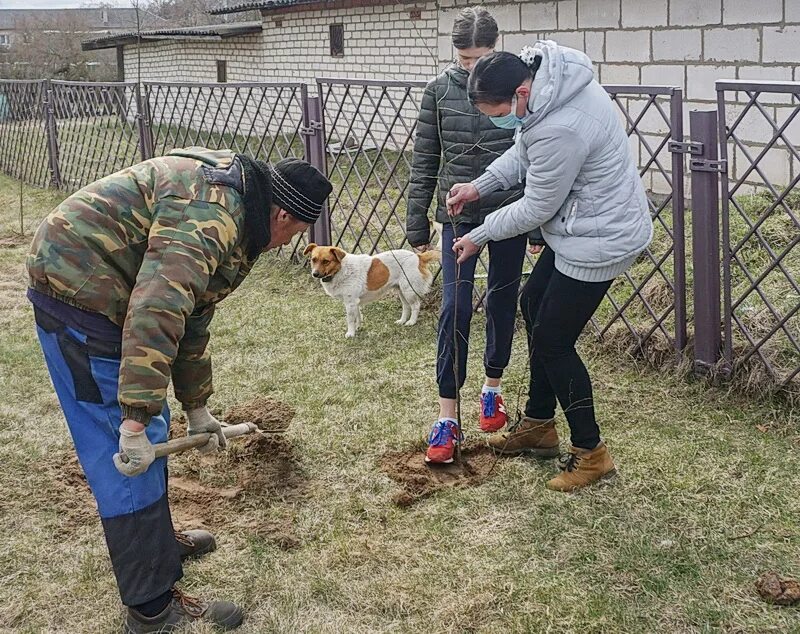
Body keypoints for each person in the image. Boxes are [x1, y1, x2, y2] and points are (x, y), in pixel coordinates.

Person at [26, 148, 332, 632]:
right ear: (283, 214)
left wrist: (197, 408)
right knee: (126, 448)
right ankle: (151, 607)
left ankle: (157, 545)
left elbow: (194, 310)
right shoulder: (212, 215)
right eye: (292, 235)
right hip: (81, 286)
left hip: (108, 280)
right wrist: (133, 419)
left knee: (155, 426)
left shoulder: (243, 208)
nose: (283, 245)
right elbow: (158, 309)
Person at [448, 42, 653, 491]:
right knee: (533, 300)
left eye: (498, 111)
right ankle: (539, 426)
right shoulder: (549, 91)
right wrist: (479, 187)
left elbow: (537, 206)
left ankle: (591, 452)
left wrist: (478, 234)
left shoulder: (561, 125)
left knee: (554, 341)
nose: (496, 120)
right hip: (582, 226)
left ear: (521, 92)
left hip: (600, 238)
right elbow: (525, 153)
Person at [407, 7, 541, 465]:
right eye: (464, 60)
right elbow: (425, 159)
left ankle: (492, 389)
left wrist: (538, 225)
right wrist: (417, 221)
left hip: (510, 213)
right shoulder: (438, 91)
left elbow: (534, 160)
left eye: (479, 58)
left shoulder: (515, 87)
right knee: (455, 307)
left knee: (504, 299)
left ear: (496, 48)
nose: (472, 69)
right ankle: (447, 415)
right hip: (459, 213)